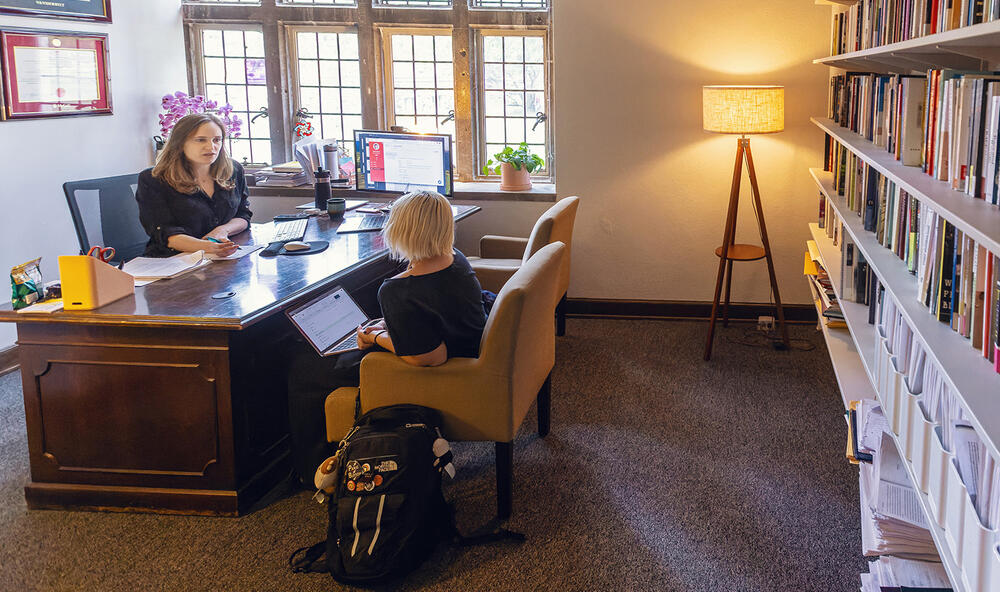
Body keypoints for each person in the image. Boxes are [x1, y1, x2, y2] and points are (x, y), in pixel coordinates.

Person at [286, 190, 487, 484]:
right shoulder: (455, 259)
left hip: (443, 369)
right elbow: (435, 315)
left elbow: (428, 357)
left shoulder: (398, 289)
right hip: (467, 344)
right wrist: (386, 326)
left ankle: (311, 470)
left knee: (304, 369)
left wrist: (375, 339)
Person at [135, 113, 251, 258]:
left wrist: (222, 231)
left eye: (217, 140)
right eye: (201, 140)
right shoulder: (153, 179)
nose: (211, 147)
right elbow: (165, 233)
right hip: (172, 261)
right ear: (180, 143)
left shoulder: (233, 170)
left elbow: (243, 215)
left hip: (220, 256)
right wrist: (208, 246)